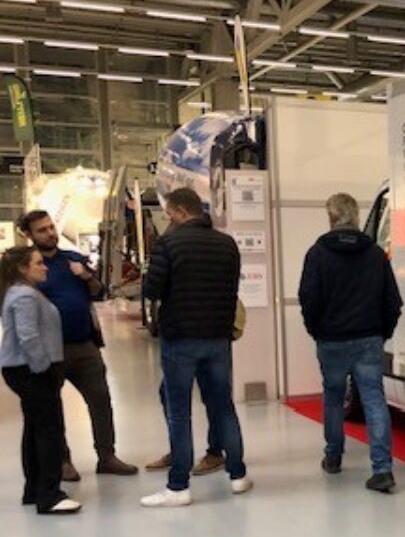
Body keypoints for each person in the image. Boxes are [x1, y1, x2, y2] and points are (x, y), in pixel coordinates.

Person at [139, 187, 250, 507]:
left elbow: (151, 289)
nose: (167, 219)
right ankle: (238, 475)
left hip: (181, 340)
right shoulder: (227, 244)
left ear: (178, 211)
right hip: (217, 338)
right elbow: (231, 288)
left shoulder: (169, 243)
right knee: (223, 407)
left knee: (179, 413)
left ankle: (178, 486)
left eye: (169, 214)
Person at [18, 210, 137, 481]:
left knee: (101, 400)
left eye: (51, 227)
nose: (49, 233)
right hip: (49, 349)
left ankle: (107, 456)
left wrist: (85, 276)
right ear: (29, 235)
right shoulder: (29, 267)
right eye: (42, 230)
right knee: (52, 407)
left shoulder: (72, 259)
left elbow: (99, 292)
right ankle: (63, 461)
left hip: (83, 345)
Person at [299, 193, 402, 494]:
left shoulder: (317, 254)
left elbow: (308, 299)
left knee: (333, 397)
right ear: (356, 217)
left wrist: (316, 330)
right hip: (369, 338)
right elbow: (393, 301)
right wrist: (382, 332)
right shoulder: (374, 254)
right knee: (374, 400)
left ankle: (333, 456)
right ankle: (382, 470)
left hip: (331, 340)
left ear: (330, 218)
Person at [1, 246, 81, 514]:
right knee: (49, 431)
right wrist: (43, 367)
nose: (45, 266)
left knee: (36, 429)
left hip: (26, 369)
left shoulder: (24, 293)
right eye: (38, 263)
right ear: (23, 269)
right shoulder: (24, 296)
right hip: (31, 370)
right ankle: (50, 496)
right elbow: (28, 336)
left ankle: (35, 490)